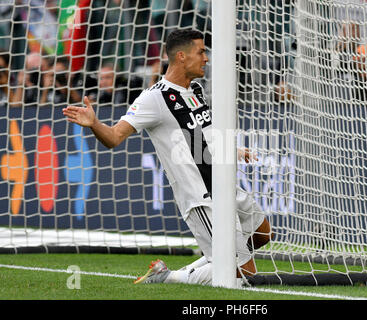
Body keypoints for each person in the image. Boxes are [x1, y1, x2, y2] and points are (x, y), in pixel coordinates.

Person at [63, 29, 272, 286]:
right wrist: (95, 123)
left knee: (262, 234)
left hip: (223, 181)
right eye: (201, 52)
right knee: (244, 273)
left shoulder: (194, 89)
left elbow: (202, 134)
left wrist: (234, 151)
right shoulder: (154, 98)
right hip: (201, 195)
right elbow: (115, 137)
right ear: (182, 56)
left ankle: (216, 259)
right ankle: (169, 277)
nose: (206, 58)